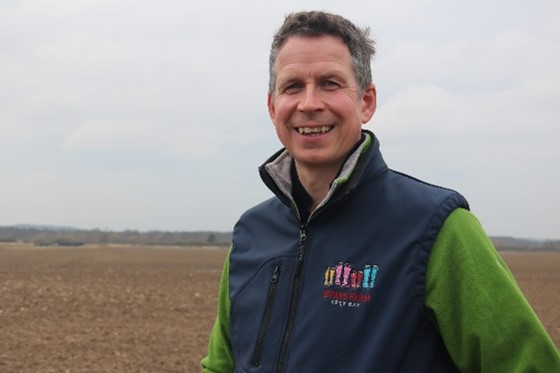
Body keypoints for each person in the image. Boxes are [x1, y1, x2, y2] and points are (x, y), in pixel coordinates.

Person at [201, 10, 560, 372]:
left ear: (366, 101)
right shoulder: (251, 235)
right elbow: (221, 365)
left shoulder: (436, 229)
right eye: (293, 86)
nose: (309, 103)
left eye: (330, 83)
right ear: (272, 105)